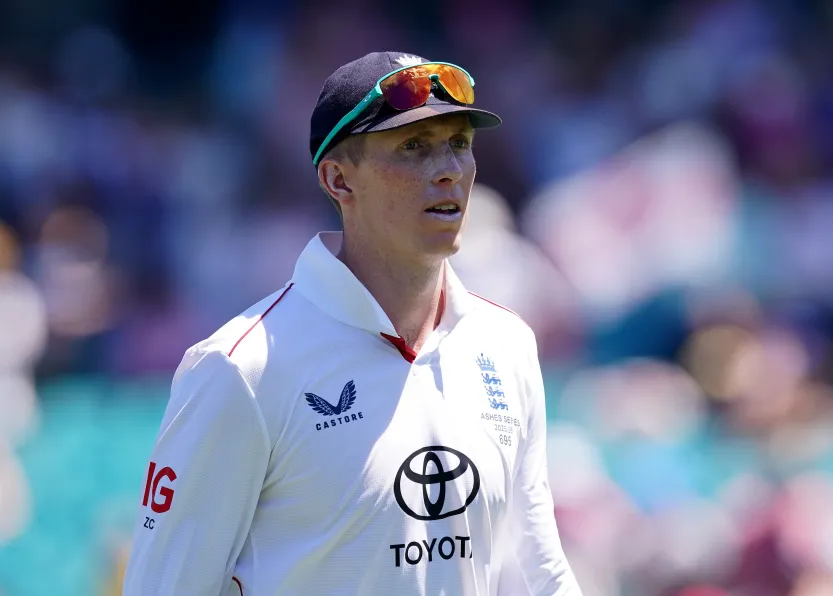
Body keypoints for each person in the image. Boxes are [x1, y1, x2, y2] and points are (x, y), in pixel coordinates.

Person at [123, 51, 582, 596]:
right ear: (338, 179)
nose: (450, 170)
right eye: (413, 147)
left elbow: (537, 576)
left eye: (459, 143)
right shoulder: (239, 368)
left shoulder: (506, 344)